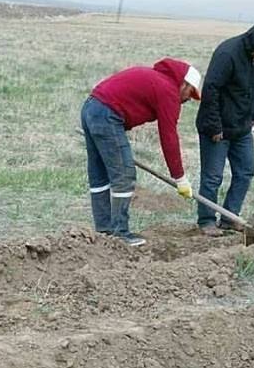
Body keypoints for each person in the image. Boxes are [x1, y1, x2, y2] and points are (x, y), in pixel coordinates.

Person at [81, 59, 202, 248]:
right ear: (184, 83)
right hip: (107, 114)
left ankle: (104, 230)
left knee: (100, 174)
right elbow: (169, 136)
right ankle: (120, 233)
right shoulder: (168, 90)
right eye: (190, 92)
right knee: (124, 174)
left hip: (91, 107)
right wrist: (180, 177)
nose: (188, 99)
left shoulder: (157, 80)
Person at [195, 17, 254, 236]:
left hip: (242, 127)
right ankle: (206, 220)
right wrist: (215, 127)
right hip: (218, 128)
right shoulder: (228, 53)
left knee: (246, 170)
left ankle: (229, 217)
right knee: (213, 177)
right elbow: (211, 90)